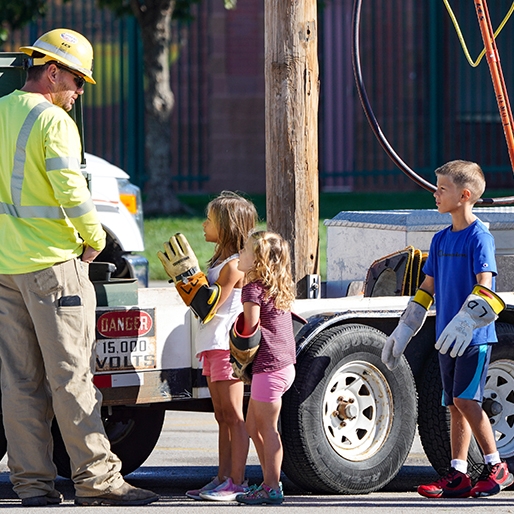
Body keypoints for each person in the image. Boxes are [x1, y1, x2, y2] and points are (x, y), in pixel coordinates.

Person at [0, 28, 159, 507]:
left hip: (7, 271)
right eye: (77, 81)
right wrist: (95, 241)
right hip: (53, 269)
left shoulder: (2, 110)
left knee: (20, 385)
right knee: (70, 381)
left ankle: (32, 486)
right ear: (52, 72)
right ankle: (97, 481)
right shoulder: (53, 121)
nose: (80, 92)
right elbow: (71, 191)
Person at [382, 160, 513, 499]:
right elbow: (427, 289)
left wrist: (468, 321)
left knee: (465, 400)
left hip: (473, 338)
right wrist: (404, 328)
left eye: (442, 188)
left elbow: (488, 287)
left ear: (465, 195)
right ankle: (458, 474)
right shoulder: (440, 240)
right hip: (445, 338)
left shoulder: (480, 237)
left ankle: (496, 467)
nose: (435, 193)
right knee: (453, 405)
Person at [159, 191, 257, 501]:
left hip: (226, 347)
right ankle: (222, 476)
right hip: (210, 346)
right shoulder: (219, 262)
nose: (203, 225)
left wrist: (188, 276)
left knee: (233, 415)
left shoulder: (234, 266)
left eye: (210, 220)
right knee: (220, 415)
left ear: (227, 227)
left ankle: (237, 481)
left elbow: (210, 305)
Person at [233, 231, 297, 506]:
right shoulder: (277, 287)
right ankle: (268, 481)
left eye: (245, 250)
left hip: (268, 367)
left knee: (267, 429)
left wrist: (234, 349)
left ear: (258, 260)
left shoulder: (252, 288)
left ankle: (272, 486)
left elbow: (249, 328)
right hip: (285, 366)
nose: (240, 254)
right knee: (253, 425)